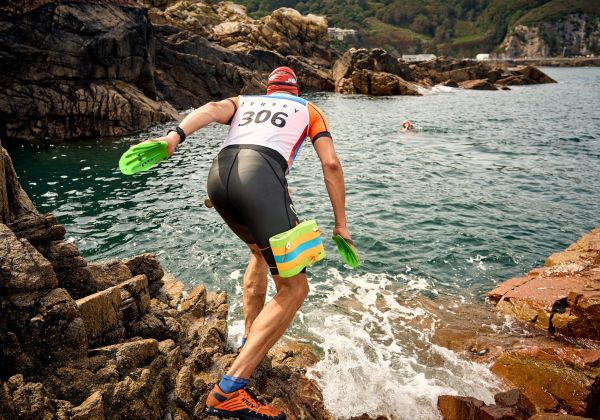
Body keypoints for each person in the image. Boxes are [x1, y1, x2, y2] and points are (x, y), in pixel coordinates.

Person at [143, 67, 353, 419]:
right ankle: (229, 391)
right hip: (259, 179)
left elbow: (210, 109)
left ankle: (248, 339)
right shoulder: (308, 109)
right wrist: (341, 224)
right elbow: (330, 163)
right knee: (295, 288)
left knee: (257, 252)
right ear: (296, 90)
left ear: (269, 91)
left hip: (219, 176)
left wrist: (173, 138)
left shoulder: (245, 101)